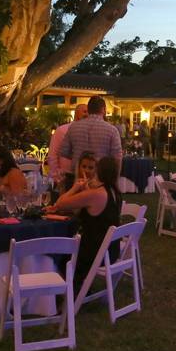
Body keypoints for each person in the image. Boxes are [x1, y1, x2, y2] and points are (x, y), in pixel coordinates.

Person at [49, 156, 122, 292]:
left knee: (57, 252)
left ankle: (69, 292)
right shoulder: (114, 192)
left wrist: (75, 187)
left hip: (94, 253)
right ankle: (78, 288)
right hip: (110, 250)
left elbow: (60, 203)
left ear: (98, 171)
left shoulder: (97, 194)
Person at [59, 95, 122, 173]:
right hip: (101, 175)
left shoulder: (73, 127)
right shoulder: (112, 130)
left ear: (88, 109)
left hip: (78, 174)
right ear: (104, 109)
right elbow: (117, 158)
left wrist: (78, 155)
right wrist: (114, 180)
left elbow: (64, 152)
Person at [49, 103, 87, 181]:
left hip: (83, 177)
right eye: (85, 111)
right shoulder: (62, 130)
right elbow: (53, 154)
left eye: (89, 112)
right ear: (76, 113)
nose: (87, 114)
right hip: (65, 175)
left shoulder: (88, 131)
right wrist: (55, 175)